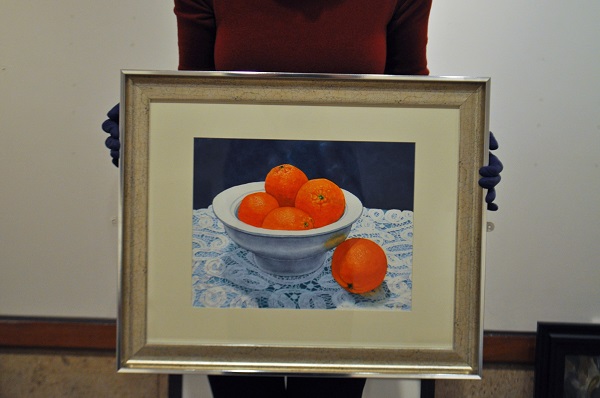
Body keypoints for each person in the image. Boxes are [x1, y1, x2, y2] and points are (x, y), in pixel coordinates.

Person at [102, 1, 502, 396]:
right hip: (247, 202)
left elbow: (413, 99)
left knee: (331, 382)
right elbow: (193, 96)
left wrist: (459, 153)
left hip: (337, 204)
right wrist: (148, 131)